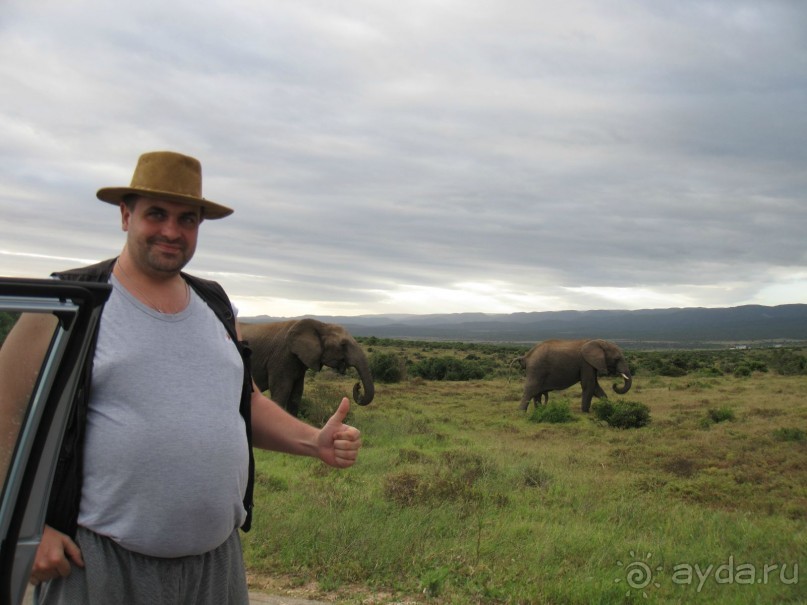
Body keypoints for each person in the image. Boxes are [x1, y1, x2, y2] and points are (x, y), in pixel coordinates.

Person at [11, 150, 362, 604]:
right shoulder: (72, 302)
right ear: (125, 215)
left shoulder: (215, 306)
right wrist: (27, 527)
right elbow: (4, 411)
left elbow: (246, 404)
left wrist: (313, 441)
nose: (172, 231)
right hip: (99, 560)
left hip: (215, 564)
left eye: (188, 219)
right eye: (156, 214)